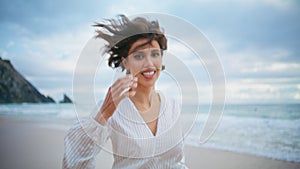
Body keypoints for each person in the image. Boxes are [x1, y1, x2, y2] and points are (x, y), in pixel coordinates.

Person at [63, 15, 188, 169]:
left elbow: (178, 163)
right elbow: (75, 164)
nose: (149, 64)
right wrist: (103, 114)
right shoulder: (112, 108)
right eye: (139, 56)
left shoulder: (172, 106)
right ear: (125, 62)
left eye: (155, 54)